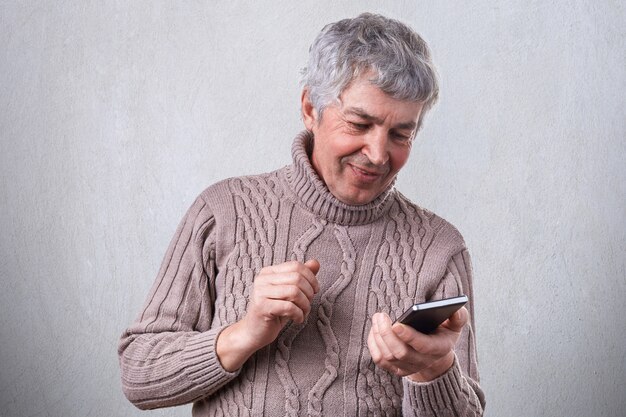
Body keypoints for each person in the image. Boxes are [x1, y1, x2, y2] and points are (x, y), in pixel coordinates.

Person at [118, 12, 485, 416]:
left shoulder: (440, 247)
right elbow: (139, 376)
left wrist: (433, 371)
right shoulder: (223, 211)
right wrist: (245, 333)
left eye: (401, 134)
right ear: (311, 108)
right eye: (360, 123)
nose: (379, 155)